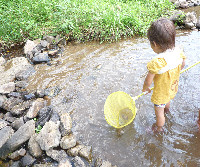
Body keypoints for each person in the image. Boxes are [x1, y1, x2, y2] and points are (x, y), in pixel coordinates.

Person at [142, 18, 186, 132]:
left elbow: (148, 81)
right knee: (167, 100)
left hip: (161, 94)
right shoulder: (178, 52)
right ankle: (167, 110)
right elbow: (183, 65)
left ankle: (159, 127)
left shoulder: (157, 62)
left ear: (155, 44)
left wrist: (145, 88)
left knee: (159, 112)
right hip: (172, 87)